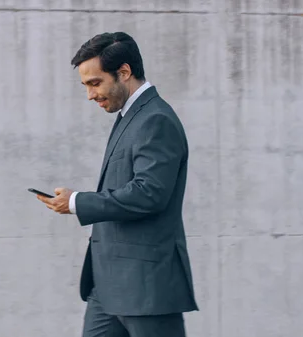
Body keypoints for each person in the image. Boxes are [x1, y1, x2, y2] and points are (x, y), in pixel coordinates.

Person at [35, 32, 199, 337]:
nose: (90, 95)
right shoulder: (132, 116)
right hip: (109, 284)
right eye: (85, 86)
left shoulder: (155, 119)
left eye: (95, 83)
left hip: (146, 288)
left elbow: (150, 193)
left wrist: (77, 202)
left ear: (124, 72)